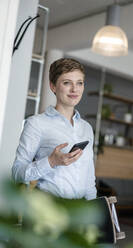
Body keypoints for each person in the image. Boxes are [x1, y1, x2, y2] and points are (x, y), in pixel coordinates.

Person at [12, 58, 97, 200]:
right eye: (66, 83)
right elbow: (17, 174)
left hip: (79, 213)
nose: (74, 89)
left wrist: (95, 212)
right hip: (47, 212)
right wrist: (51, 162)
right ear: (53, 86)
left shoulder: (87, 128)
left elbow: (89, 179)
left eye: (79, 83)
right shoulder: (36, 124)